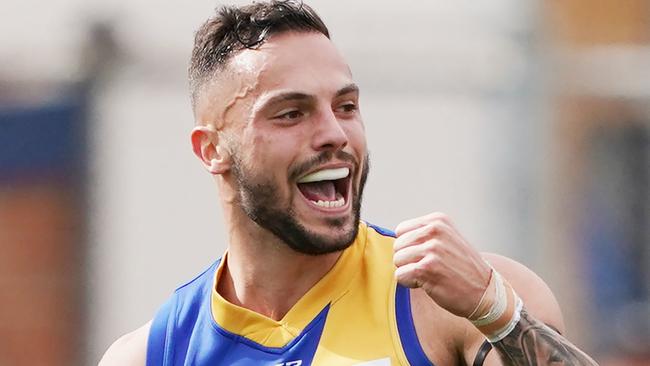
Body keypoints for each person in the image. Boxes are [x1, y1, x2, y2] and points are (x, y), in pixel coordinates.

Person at [99, 1, 599, 365]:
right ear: (212, 150)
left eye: (346, 107)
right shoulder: (157, 352)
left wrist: (497, 313)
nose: (334, 134)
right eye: (292, 113)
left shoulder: (449, 302)